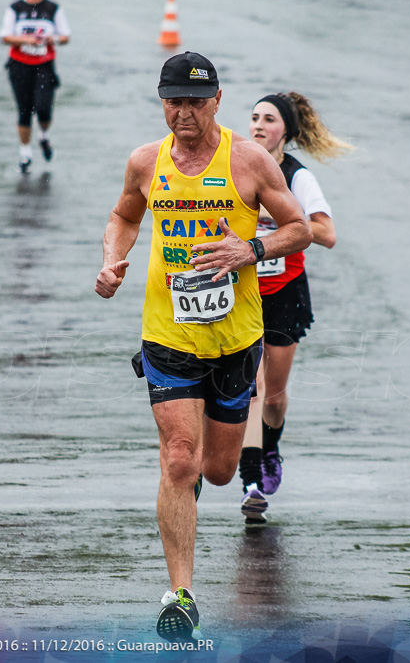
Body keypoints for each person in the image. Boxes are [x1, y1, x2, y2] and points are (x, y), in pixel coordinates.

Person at [94, 52, 311, 642]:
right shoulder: (147, 161)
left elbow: (301, 229)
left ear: (216, 101)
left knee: (215, 471)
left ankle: (195, 486)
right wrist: (112, 257)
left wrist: (252, 250)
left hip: (236, 338)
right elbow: (124, 214)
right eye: (172, 100)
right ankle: (180, 594)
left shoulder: (249, 161)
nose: (182, 112)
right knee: (179, 458)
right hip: (167, 334)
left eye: (193, 101)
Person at [237, 92, 352, 524]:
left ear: (286, 129)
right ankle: (250, 481)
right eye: (254, 118)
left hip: (284, 292)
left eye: (269, 119)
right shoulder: (239, 166)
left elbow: (327, 233)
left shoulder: (296, 177)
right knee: (252, 385)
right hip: (243, 291)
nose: (259, 125)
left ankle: (271, 448)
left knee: (275, 399)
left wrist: (288, 222)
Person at [0, 0, 71, 173]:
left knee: (43, 108)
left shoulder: (52, 8)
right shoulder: (15, 8)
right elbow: (5, 36)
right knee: (24, 110)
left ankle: (44, 136)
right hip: (19, 65)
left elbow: (65, 36)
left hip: (44, 66)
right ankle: (25, 153)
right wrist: (25, 40)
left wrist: (51, 38)